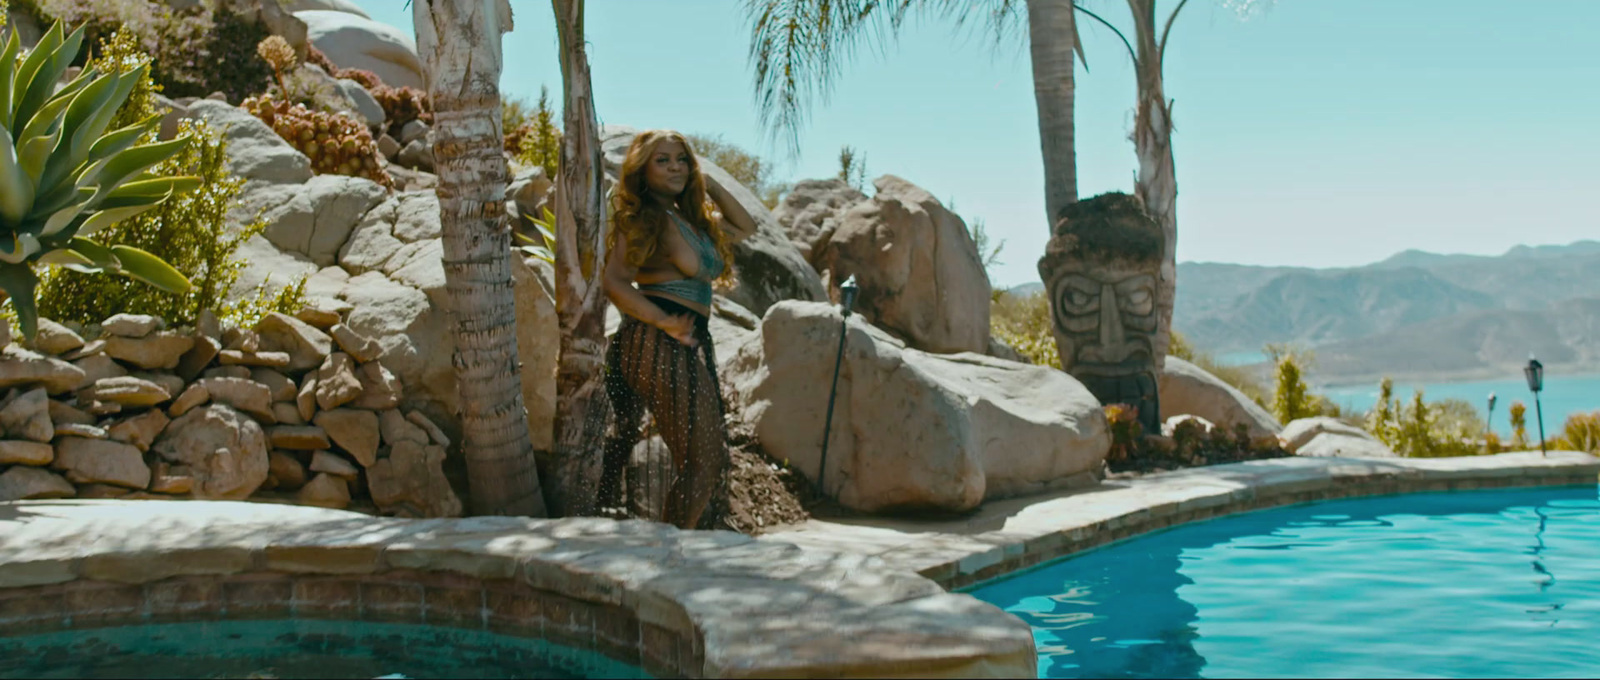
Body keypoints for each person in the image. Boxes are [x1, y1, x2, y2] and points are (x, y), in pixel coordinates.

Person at [598, 129, 755, 529]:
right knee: (704, 459)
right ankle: (672, 552)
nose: (675, 167)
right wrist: (662, 320)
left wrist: (711, 182)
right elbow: (614, 280)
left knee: (702, 459)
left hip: (683, 341)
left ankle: (671, 548)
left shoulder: (690, 220)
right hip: (656, 338)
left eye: (682, 159)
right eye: (662, 160)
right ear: (642, 169)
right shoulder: (645, 217)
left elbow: (747, 225)